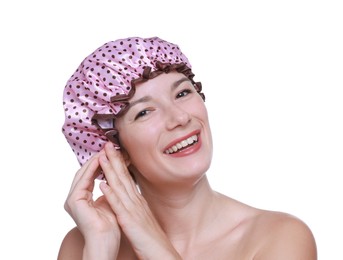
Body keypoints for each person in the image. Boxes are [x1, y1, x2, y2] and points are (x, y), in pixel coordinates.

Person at [58, 36, 317, 259]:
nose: (180, 118)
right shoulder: (86, 242)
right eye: (144, 112)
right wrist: (100, 250)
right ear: (114, 149)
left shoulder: (279, 238)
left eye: (182, 93)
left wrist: (154, 246)